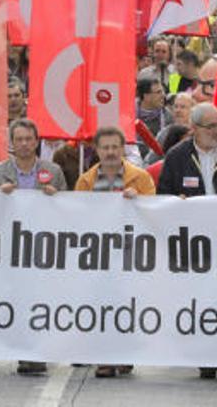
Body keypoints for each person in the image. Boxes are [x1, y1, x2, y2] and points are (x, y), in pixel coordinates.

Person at [157, 103, 217, 380]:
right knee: (202, 298)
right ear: (195, 129)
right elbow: (164, 193)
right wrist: (178, 203)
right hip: (196, 242)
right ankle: (207, 355)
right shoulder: (177, 156)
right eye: (211, 127)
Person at [0, 118, 66, 375]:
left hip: (43, 247)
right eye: (19, 139)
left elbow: (69, 210)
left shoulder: (53, 171)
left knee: (41, 300)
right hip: (11, 248)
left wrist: (56, 198)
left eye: (28, 139)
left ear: (37, 141)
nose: (24, 144)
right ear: (11, 142)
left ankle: (38, 352)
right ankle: (23, 352)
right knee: (17, 300)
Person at [74, 126, 155, 378]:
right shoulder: (86, 180)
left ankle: (125, 354)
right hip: (98, 255)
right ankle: (104, 357)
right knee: (100, 305)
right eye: (105, 147)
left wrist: (140, 200)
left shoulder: (140, 178)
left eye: (114, 147)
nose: (110, 152)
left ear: (123, 149)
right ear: (97, 150)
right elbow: (74, 217)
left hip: (131, 254)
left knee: (127, 305)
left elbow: (156, 210)